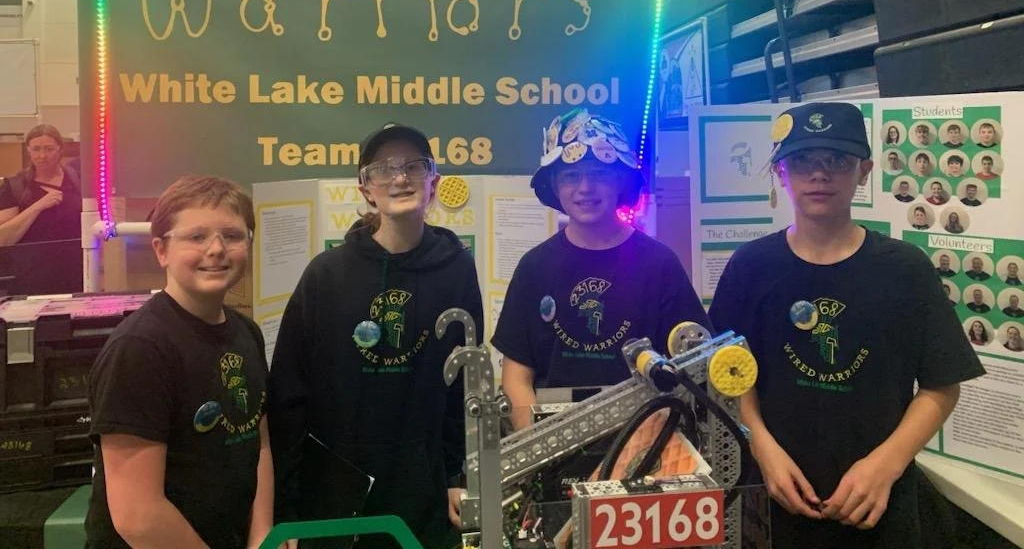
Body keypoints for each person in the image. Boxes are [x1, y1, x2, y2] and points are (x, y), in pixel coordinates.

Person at [708, 101, 983, 549]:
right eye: (803, 161)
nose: (820, 174)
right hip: (773, 497)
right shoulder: (750, 267)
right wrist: (760, 445)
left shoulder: (905, 270)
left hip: (878, 506)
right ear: (781, 172)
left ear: (864, 170)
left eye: (837, 160)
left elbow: (941, 385)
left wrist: (886, 465)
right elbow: (728, 376)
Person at [269, 123, 483, 549]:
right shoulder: (325, 275)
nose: (400, 178)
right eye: (384, 169)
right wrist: (284, 505)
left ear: (433, 182)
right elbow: (289, 395)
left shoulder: (457, 269)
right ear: (366, 189)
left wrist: (459, 476)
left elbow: (465, 384)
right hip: (335, 492)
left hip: (424, 487)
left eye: (413, 167)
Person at [492, 108, 710, 430]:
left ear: (620, 180)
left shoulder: (659, 265)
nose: (585, 188)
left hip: (644, 446)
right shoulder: (535, 267)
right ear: (554, 183)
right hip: (551, 449)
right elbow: (516, 375)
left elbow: (692, 368)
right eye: (571, 175)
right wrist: (540, 449)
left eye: (599, 173)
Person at [85, 176, 273, 549]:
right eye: (196, 237)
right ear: (161, 250)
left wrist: (262, 535)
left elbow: (258, 439)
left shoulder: (246, 333)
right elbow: (139, 516)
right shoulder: (140, 349)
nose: (217, 249)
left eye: (233, 236)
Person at [0, 124, 83, 293]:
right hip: (31, 276)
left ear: (60, 149)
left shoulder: (77, 178)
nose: (42, 156)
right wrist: (38, 206)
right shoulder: (14, 186)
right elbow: (3, 238)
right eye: (36, 149)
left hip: (76, 271)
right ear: (28, 151)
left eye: (49, 149)